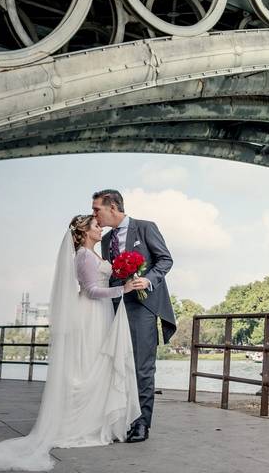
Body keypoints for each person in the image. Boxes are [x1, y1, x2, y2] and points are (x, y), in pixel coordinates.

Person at [0, 215, 145, 471]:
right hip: (91, 314)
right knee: (87, 368)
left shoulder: (93, 254)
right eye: (96, 226)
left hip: (102, 313)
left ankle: (95, 422)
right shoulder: (84, 257)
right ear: (84, 232)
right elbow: (90, 291)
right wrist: (124, 289)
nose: (101, 228)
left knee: (97, 366)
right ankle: (79, 426)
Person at [93, 189, 176, 444]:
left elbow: (165, 260)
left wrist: (147, 280)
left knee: (141, 367)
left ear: (113, 207)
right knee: (117, 364)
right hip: (114, 306)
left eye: (98, 209)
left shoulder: (146, 228)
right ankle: (120, 419)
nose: (94, 214)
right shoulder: (106, 241)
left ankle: (141, 423)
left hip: (142, 307)